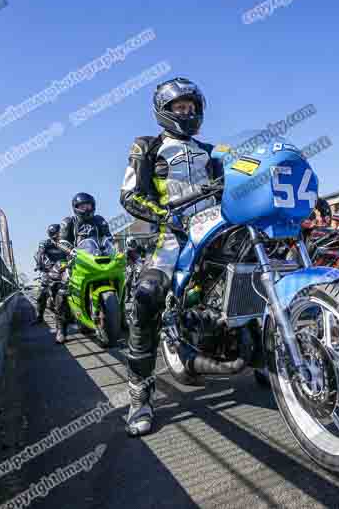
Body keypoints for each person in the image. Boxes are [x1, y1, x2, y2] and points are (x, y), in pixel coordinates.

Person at [119, 77, 222, 436]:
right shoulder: (146, 147)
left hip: (216, 234)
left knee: (255, 275)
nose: (187, 113)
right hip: (171, 239)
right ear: (164, 111)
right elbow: (131, 196)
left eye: (192, 107)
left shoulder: (213, 151)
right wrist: (166, 215)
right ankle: (139, 397)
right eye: (180, 107)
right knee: (146, 299)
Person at [54, 192, 112, 343]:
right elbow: (61, 241)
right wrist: (69, 250)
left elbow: (108, 237)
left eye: (89, 205)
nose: (86, 208)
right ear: (76, 207)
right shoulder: (69, 222)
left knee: (119, 278)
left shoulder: (99, 220)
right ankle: (61, 329)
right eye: (83, 206)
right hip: (76, 262)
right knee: (63, 289)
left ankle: (121, 320)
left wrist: (110, 246)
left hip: (98, 259)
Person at [32, 224, 69, 325]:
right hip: (50, 270)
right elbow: (40, 253)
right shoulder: (45, 243)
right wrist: (40, 264)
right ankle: (39, 317)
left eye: (58, 232)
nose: (56, 235)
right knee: (42, 292)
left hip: (66, 269)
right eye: (53, 233)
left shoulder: (66, 243)